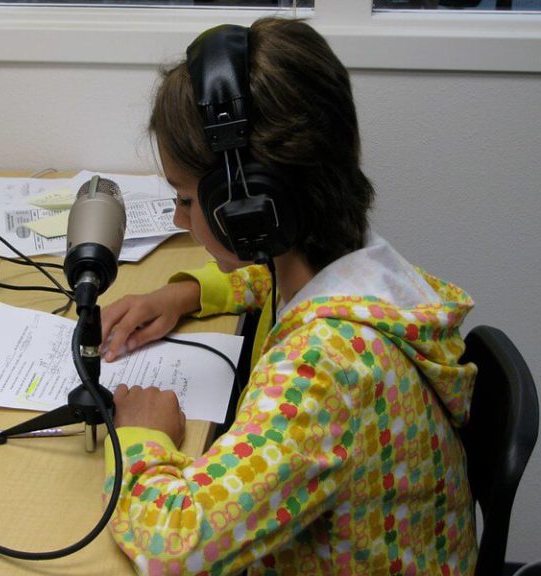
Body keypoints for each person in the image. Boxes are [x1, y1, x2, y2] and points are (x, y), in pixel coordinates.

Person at [100, 17, 477, 576]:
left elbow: (171, 548)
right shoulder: (360, 267)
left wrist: (141, 435)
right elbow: (272, 280)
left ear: (248, 207)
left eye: (184, 199)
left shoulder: (324, 372)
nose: (180, 220)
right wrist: (186, 293)